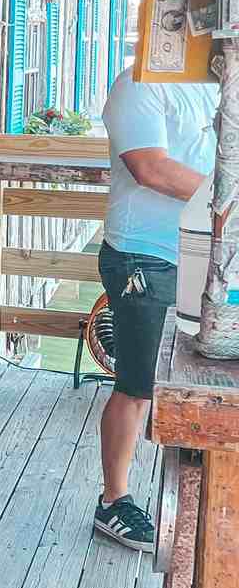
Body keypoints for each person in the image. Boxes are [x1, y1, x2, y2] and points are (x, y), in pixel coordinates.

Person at [95, 64, 217, 549]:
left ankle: (202, 491)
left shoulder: (217, 87)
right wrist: (228, 197)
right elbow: (150, 167)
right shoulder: (138, 82)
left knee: (206, 378)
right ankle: (113, 500)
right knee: (139, 385)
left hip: (209, 252)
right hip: (145, 255)